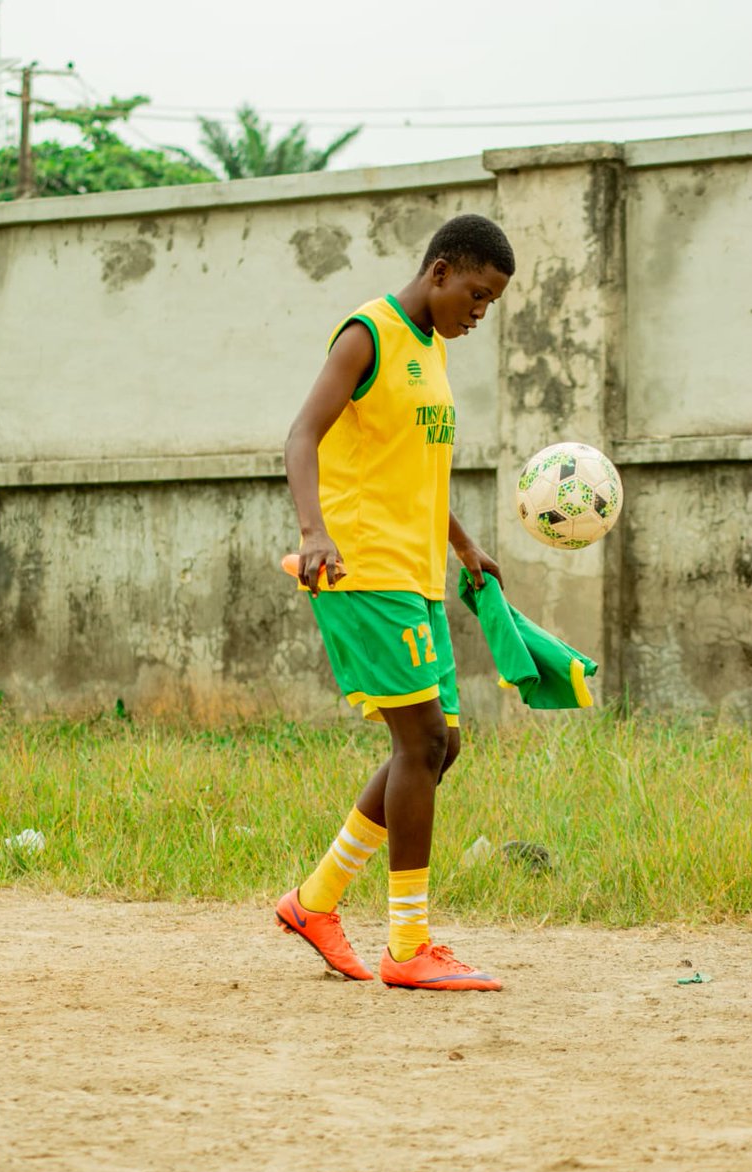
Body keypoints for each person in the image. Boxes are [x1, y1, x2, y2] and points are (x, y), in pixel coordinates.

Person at [276, 213, 515, 990]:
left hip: (416, 576)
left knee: (441, 747)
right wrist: (313, 532)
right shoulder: (367, 334)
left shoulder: (433, 352)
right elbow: (302, 435)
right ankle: (408, 946)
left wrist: (463, 546)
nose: (478, 313)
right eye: (475, 295)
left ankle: (315, 902)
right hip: (360, 569)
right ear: (441, 271)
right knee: (418, 746)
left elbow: (413, 469)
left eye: (490, 303)